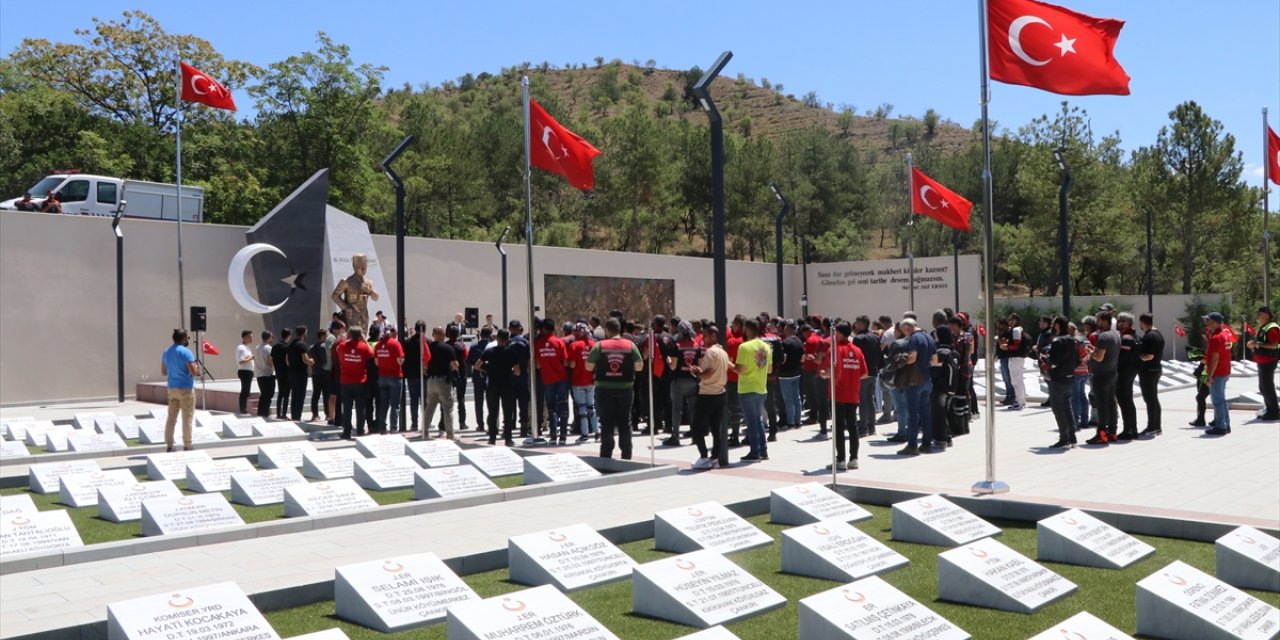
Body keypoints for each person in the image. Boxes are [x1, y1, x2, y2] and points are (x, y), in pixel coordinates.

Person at [587, 318, 643, 459]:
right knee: (625, 422)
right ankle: (626, 454)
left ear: (607, 330)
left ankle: (606, 455)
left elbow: (588, 366)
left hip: (604, 389)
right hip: (625, 389)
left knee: (606, 422)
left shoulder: (599, 346)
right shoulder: (630, 345)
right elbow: (639, 366)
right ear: (620, 330)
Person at [823, 321, 867, 471]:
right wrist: (852, 378)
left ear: (840, 334)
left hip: (838, 394)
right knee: (853, 426)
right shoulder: (857, 350)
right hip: (853, 393)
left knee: (838, 427)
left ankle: (840, 460)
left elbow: (831, 371)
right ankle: (854, 459)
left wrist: (824, 375)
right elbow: (864, 373)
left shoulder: (834, 350)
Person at [690, 324, 730, 469]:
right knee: (715, 428)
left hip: (708, 394)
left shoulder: (711, 352)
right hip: (720, 393)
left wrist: (697, 373)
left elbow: (708, 373)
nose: (703, 339)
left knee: (696, 427)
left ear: (713, 336)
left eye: (706, 336)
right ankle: (714, 458)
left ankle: (704, 457)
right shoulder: (722, 352)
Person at [734, 319, 773, 462]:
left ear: (748, 330)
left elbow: (739, 369)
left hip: (747, 388)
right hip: (761, 387)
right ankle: (763, 451)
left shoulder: (744, 347)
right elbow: (769, 369)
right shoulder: (766, 347)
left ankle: (755, 452)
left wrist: (728, 362)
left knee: (752, 422)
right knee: (758, 420)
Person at [898, 318, 936, 456]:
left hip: (914, 381)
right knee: (925, 413)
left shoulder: (914, 339)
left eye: (903, 330)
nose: (904, 334)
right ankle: (926, 444)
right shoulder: (929, 338)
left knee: (913, 414)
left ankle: (912, 445)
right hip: (927, 379)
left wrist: (902, 361)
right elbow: (935, 360)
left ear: (908, 327)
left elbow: (912, 357)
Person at [664, 319, 702, 447]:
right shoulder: (696, 345)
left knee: (676, 409)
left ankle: (675, 436)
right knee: (693, 409)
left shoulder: (676, 345)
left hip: (678, 380)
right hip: (692, 380)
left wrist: (669, 361)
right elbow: (700, 365)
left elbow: (673, 366)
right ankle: (696, 436)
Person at [160, 329, 199, 452]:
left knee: (171, 418)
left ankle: (170, 445)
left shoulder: (166, 352)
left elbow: (163, 371)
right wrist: (196, 369)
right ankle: (187, 445)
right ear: (183, 338)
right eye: (187, 338)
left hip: (172, 388)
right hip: (186, 388)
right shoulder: (186, 352)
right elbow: (193, 372)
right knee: (187, 418)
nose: (188, 339)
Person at [477, 329, 517, 446]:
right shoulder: (511, 352)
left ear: (497, 338)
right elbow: (517, 370)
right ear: (508, 339)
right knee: (508, 412)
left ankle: (492, 438)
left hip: (493, 385)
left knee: (493, 412)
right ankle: (508, 439)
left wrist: (488, 369)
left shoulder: (489, 351)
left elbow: (477, 365)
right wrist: (510, 371)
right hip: (507, 384)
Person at [1086, 311, 1120, 445]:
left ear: (1105, 321)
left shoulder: (1104, 336)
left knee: (1102, 405)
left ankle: (1101, 434)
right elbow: (1106, 353)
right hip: (1112, 374)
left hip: (1101, 375)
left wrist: (1091, 353)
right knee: (1111, 404)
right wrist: (1095, 350)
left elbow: (1099, 358)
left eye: (1098, 320)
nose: (1096, 323)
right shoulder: (1115, 335)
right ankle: (1112, 432)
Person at [535, 318, 571, 444]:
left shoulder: (538, 344)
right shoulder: (559, 342)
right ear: (554, 328)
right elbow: (566, 361)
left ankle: (553, 435)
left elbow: (538, 365)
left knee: (551, 408)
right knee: (563, 406)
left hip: (547, 379)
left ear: (543, 329)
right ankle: (563, 436)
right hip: (561, 379)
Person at [1046, 316, 1080, 449]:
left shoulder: (1057, 342)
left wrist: (1047, 360)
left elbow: (1053, 361)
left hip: (1058, 378)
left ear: (1058, 326)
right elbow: (1078, 360)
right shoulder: (1073, 341)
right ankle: (1072, 437)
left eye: (1054, 324)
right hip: (1070, 377)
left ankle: (1064, 438)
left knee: (1058, 408)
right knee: (1067, 406)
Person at [336, 327, 374, 439]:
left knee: (347, 408)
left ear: (350, 335)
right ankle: (360, 430)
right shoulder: (364, 347)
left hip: (346, 382)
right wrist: (364, 340)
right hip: (360, 382)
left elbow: (337, 348)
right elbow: (371, 353)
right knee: (360, 408)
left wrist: (348, 339)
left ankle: (346, 431)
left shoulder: (342, 346)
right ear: (360, 335)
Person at [425, 326, 459, 440]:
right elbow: (455, 365)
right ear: (443, 335)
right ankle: (450, 434)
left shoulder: (428, 347)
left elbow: (424, 364)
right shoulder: (447, 348)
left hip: (431, 380)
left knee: (430, 407)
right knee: (447, 408)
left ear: (434, 334)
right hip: (443, 381)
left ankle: (425, 432)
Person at [566, 323, 599, 443]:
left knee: (582, 409)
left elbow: (572, 364)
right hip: (590, 381)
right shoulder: (594, 344)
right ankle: (597, 432)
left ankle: (585, 434)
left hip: (578, 381)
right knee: (592, 407)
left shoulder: (574, 346)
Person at [331, 254, 379, 333]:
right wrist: (346, 308)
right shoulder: (346, 281)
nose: (363, 269)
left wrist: (370, 291)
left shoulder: (369, 282)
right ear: (354, 267)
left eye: (365, 267)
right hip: (351, 314)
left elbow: (376, 298)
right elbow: (335, 296)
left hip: (364, 314)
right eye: (361, 267)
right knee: (353, 337)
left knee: (363, 336)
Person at [1203, 312, 1234, 436]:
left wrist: (1209, 376)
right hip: (1224, 371)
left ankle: (1221, 426)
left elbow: (1215, 358)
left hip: (1218, 373)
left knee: (1218, 400)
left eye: (1208, 320)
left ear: (1215, 322)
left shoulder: (1216, 337)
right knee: (1222, 399)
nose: (1206, 322)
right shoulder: (1224, 335)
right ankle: (1226, 424)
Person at [1248, 306, 1280, 421]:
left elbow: (1274, 345)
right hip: (1262, 360)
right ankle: (1269, 409)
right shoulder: (1264, 327)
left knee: (1268, 387)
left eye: (1261, 314)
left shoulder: (1272, 328)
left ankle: (1274, 412)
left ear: (1266, 315)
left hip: (1269, 361)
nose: (1259, 316)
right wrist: (1254, 344)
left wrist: (1256, 345)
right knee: (1263, 387)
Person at [1114, 313, 1142, 440]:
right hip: (1130, 372)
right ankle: (1131, 429)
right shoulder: (1133, 336)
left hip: (1124, 373)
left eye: (1121, 321)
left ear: (1127, 323)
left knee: (1124, 401)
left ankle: (1129, 430)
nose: (1118, 323)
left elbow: (1121, 358)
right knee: (1128, 401)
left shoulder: (1126, 338)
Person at [852, 316, 882, 437]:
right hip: (873, 371)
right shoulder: (875, 337)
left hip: (861, 373)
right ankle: (872, 427)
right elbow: (879, 353)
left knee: (863, 400)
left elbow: (855, 357)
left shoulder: (858, 338)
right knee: (870, 399)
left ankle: (863, 428)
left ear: (861, 324)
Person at [1137, 314, 1165, 437]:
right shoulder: (1158, 334)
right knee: (1153, 399)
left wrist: (1136, 357)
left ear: (1142, 322)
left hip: (1149, 370)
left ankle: (1152, 427)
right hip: (1156, 369)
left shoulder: (1149, 336)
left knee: (1150, 399)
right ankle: (1157, 427)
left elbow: (1149, 356)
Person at [375, 325, 405, 433]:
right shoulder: (395, 344)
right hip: (395, 376)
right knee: (395, 405)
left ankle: (382, 427)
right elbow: (400, 361)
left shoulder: (378, 345)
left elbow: (376, 362)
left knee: (384, 404)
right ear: (392, 333)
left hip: (382, 376)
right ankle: (393, 428)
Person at [777, 321, 805, 433]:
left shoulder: (785, 342)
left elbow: (783, 359)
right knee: (797, 397)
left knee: (788, 399)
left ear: (788, 329)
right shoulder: (800, 342)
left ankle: (790, 422)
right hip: (796, 372)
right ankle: (798, 421)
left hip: (785, 374)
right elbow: (802, 358)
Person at [507, 320, 533, 438]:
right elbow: (529, 358)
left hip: (510, 376)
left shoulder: (508, 342)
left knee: (509, 403)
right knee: (523, 403)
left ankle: (509, 426)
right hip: (523, 376)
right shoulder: (525, 342)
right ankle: (523, 429)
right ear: (519, 328)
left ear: (510, 328)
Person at [402, 321, 427, 432]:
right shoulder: (427, 342)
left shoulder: (407, 343)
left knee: (414, 400)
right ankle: (426, 422)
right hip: (424, 375)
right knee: (424, 400)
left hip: (411, 375)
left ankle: (414, 423)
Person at [1000, 314, 1028, 410]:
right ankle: (1021, 400)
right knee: (1018, 379)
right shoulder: (1017, 330)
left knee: (1016, 380)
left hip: (1016, 357)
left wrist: (1006, 347)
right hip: (1017, 357)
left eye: (1013, 320)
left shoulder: (1016, 330)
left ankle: (1019, 402)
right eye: (1010, 320)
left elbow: (1017, 345)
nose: (1011, 322)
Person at [467, 327, 492, 432]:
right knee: (491, 402)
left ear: (480, 335)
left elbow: (469, 361)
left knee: (478, 402)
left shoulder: (474, 346)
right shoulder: (491, 346)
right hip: (489, 376)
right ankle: (491, 423)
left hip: (478, 376)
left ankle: (480, 424)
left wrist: (479, 366)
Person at [287, 326, 313, 422]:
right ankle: (298, 416)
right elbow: (305, 359)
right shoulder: (302, 345)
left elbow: (287, 360)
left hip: (292, 372)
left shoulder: (290, 344)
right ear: (304, 333)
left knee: (294, 395)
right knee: (301, 395)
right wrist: (311, 361)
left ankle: (294, 415)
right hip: (301, 373)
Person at [447, 325, 470, 430]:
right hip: (461, 374)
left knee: (446, 399)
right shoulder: (462, 346)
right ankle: (462, 423)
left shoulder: (445, 345)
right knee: (461, 399)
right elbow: (466, 357)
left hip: (448, 374)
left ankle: (446, 424)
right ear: (458, 335)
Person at [307, 329, 331, 423]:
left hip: (315, 374)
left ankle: (315, 414)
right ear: (323, 336)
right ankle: (328, 414)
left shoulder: (311, 348)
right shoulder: (325, 347)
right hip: (325, 374)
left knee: (315, 395)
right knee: (326, 395)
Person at [271, 327, 291, 419]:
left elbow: (271, 359)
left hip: (278, 372)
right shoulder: (287, 347)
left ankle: (278, 413)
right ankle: (284, 414)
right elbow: (288, 360)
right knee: (286, 394)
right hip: (286, 372)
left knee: (280, 393)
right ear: (289, 336)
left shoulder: (275, 346)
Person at [254, 331, 275, 418]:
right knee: (269, 395)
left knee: (263, 394)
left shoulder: (257, 347)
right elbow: (270, 361)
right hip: (267, 374)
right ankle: (265, 413)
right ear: (269, 337)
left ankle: (260, 413)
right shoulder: (269, 348)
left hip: (259, 374)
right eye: (271, 337)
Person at [235, 330, 255, 415]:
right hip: (244, 371)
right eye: (250, 337)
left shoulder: (246, 347)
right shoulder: (241, 348)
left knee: (246, 391)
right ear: (244, 337)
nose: (252, 338)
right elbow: (241, 361)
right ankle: (243, 409)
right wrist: (251, 358)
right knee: (245, 391)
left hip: (248, 371)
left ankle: (244, 408)